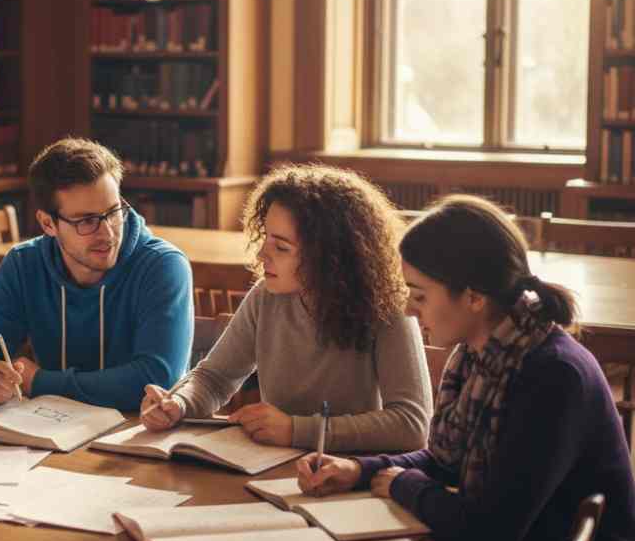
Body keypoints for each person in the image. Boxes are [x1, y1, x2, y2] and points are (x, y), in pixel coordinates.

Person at [296, 194, 635, 541]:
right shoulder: (484, 353)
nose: (408, 308)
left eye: (420, 295)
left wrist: (406, 486)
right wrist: (358, 469)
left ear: (474, 297)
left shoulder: (552, 377)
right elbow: (444, 461)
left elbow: (488, 536)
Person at [141, 164, 432, 452]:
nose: (261, 254)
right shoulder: (265, 297)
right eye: (265, 238)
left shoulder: (387, 307)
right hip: (271, 466)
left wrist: (296, 430)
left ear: (328, 257)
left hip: (349, 475)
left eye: (281, 248)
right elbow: (214, 378)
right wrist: (177, 404)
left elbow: (412, 424)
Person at [0, 137, 193, 411]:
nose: (108, 233)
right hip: (55, 431)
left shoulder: (163, 266)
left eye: (114, 212)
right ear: (48, 223)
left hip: (139, 434)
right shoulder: (23, 265)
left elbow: (158, 379)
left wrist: (41, 383)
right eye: (87, 221)